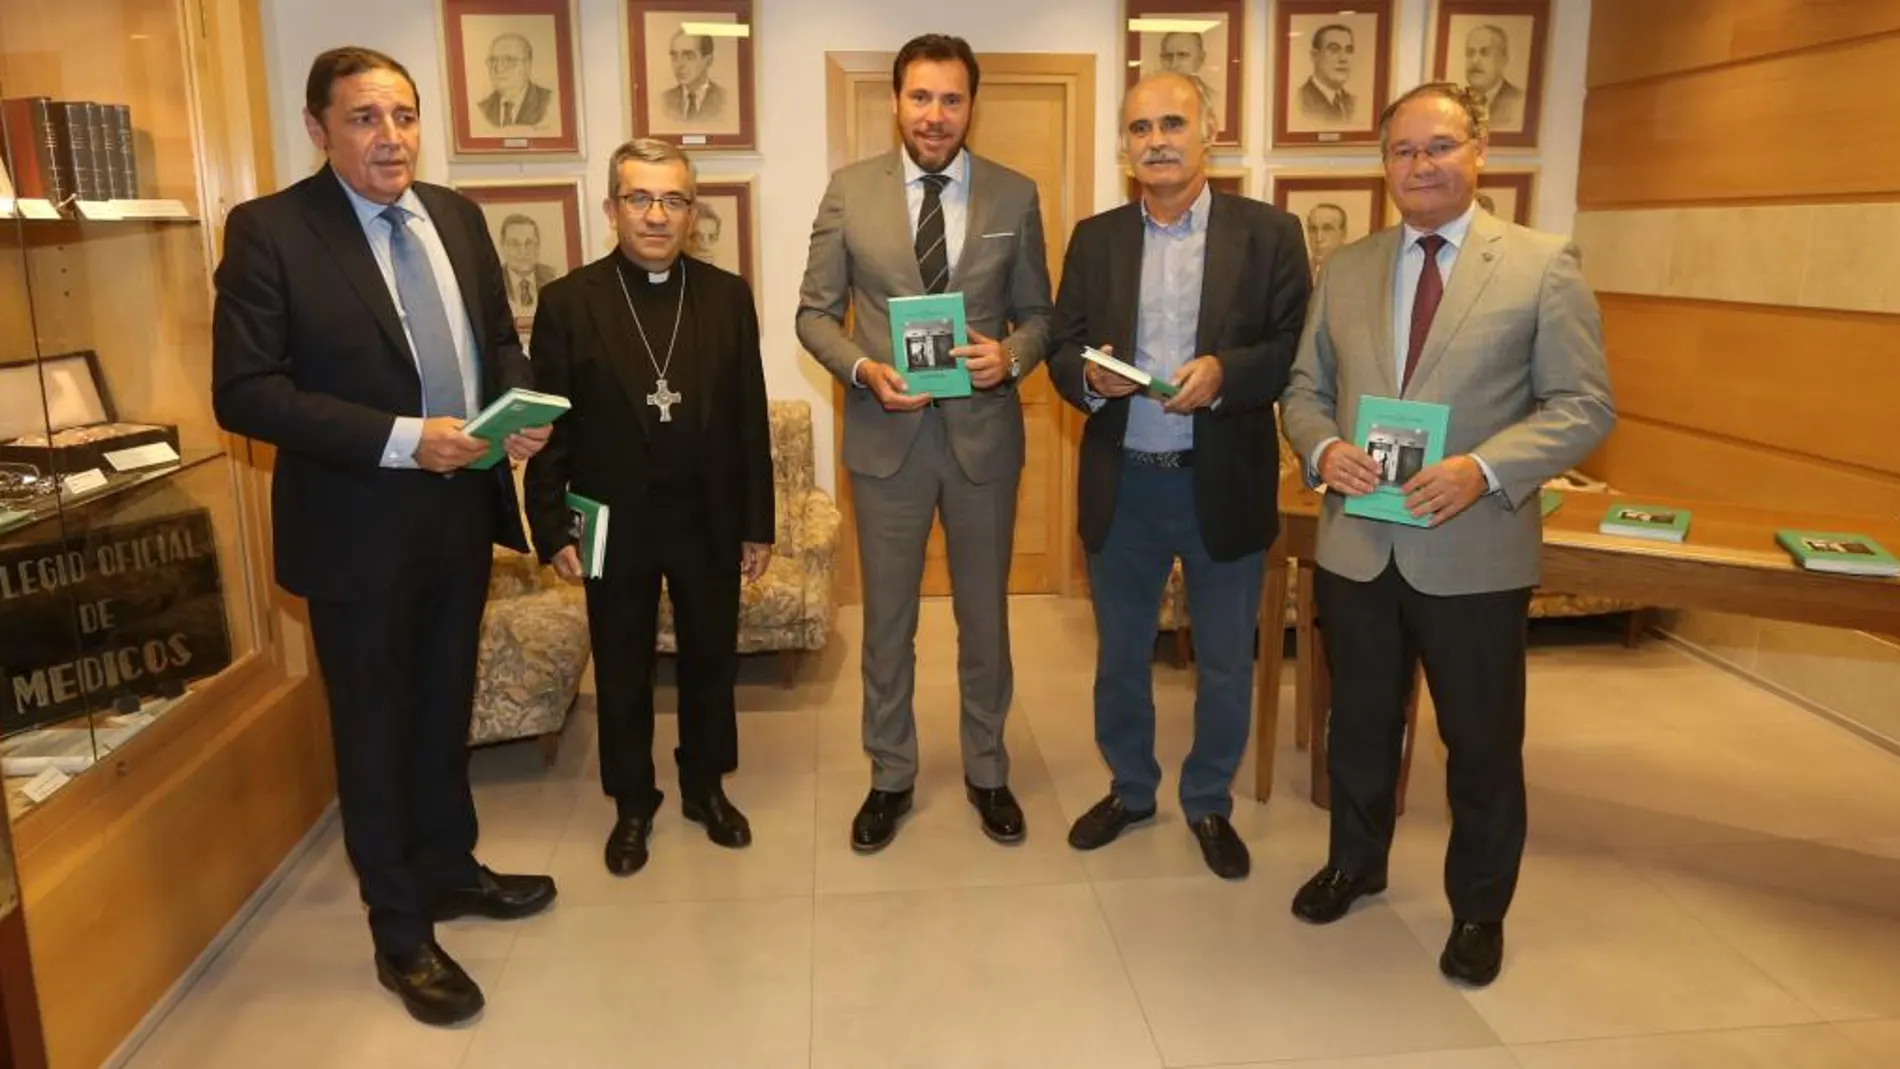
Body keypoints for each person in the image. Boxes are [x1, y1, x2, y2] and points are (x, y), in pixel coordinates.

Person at [210, 46, 557, 1027]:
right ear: (317, 129)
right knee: (373, 732)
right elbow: (245, 392)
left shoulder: (455, 216)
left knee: (443, 708)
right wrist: (408, 441)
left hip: (461, 514)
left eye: (403, 116)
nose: (390, 136)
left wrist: (514, 406)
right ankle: (400, 932)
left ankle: (449, 869)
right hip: (355, 529)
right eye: (364, 118)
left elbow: (495, 335)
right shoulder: (272, 231)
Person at [1280, 82, 1614, 987]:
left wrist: (1485, 470)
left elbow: (1584, 405)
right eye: (1401, 151)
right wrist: (1325, 449)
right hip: (1359, 546)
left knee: (1480, 742)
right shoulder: (1347, 266)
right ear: (1383, 163)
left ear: (1479, 151)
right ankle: (1356, 860)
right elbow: (1304, 390)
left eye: (1438, 147)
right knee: (1358, 726)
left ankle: (1478, 909)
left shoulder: (1542, 264)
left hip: (1472, 551)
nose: (1419, 166)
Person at [796, 33, 1053, 854]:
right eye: (920, 97)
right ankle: (890, 776)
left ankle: (987, 767)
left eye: (950, 99)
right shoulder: (849, 191)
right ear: (895, 101)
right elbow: (812, 313)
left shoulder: (1015, 195)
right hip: (886, 440)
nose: (935, 115)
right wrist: (864, 366)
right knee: (887, 623)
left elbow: (1041, 316)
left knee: (985, 621)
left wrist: (1009, 357)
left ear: (972, 104)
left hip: (983, 441)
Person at [1048, 72, 1309, 879]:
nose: (1156, 139)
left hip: (1220, 478)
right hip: (1123, 482)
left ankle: (1208, 800)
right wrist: (1091, 380)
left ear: (1211, 132)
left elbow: (1295, 350)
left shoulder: (1269, 234)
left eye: (1172, 122)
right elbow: (1063, 348)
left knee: (1227, 658)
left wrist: (1226, 371)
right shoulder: (1096, 238)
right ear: (1124, 146)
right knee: (1121, 654)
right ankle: (1131, 789)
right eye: (1139, 128)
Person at [523, 138, 772, 878]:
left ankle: (705, 787)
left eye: (673, 199)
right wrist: (551, 523)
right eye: (640, 198)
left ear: (693, 211)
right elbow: (550, 424)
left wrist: (759, 522)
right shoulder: (569, 301)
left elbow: (748, 416)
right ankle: (633, 802)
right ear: (611, 208)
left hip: (708, 515)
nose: (657, 214)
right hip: (609, 517)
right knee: (623, 665)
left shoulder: (727, 295)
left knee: (708, 660)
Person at [477, 33, 555, 128]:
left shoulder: (549, 103)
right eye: (493, 60)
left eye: (509, 60)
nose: (499, 68)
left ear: (527, 65)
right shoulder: (483, 109)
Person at [1156, 31, 1220, 131]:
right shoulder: (1150, 100)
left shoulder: (1215, 101)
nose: (1174, 64)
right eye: (1167, 56)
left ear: (1201, 59)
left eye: (1182, 55)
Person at [1465, 24, 1525, 130]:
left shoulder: (1519, 102)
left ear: (1503, 60)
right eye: (1470, 53)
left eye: (1485, 53)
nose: (1475, 61)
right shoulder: (1454, 103)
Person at [498, 214, 558, 318]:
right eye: (514, 244)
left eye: (529, 243)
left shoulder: (553, 277)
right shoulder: (494, 281)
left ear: (538, 246)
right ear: (503, 247)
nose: (523, 251)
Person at [662, 31, 727, 122]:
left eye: (689, 57)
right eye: (675, 56)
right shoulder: (664, 101)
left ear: (708, 61)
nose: (679, 65)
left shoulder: (726, 101)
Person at [1299, 24, 1356, 124]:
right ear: (1314, 56)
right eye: (1334, 49)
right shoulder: (1300, 101)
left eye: (1348, 50)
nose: (1343, 58)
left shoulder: (1353, 103)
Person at [1305, 202, 1348, 283]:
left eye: (1327, 229)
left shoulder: (1357, 274)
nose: (1318, 238)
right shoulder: (1299, 274)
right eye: (1313, 229)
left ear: (1343, 234)